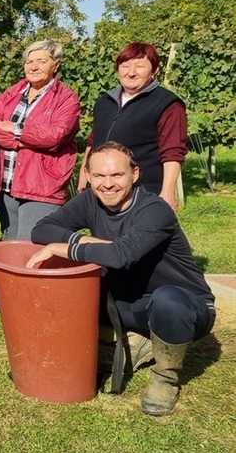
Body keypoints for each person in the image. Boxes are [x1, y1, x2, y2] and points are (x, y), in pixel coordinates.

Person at [29, 142, 215, 416]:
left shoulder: (155, 210)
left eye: (117, 175)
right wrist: (85, 240)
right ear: (89, 177)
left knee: (167, 301)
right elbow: (41, 229)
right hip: (128, 303)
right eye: (99, 176)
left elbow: (120, 256)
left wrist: (65, 247)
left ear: (134, 174)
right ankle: (137, 339)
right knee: (75, 294)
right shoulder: (90, 200)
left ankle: (166, 377)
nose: (107, 184)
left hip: (184, 306)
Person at [0, 40, 80, 241]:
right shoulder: (11, 94)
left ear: (56, 65)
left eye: (41, 61)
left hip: (41, 184)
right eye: (29, 61)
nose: (33, 66)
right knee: (10, 240)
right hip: (6, 182)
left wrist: (15, 129)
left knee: (30, 243)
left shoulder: (66, 99)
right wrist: (23, 141)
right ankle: (9, 274)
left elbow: (56, 135)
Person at [78, 42, 188, 211]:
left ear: (154, 71)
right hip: (103, 191)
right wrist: (84, 177)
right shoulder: (105, 101)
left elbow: (173, 151)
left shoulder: (167, 104)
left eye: (140, 66)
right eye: (125, 66)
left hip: (142, 191)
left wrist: (167, 191)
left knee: (137, 237)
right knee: (102, 236)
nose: (131, 72)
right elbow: (93, 142)